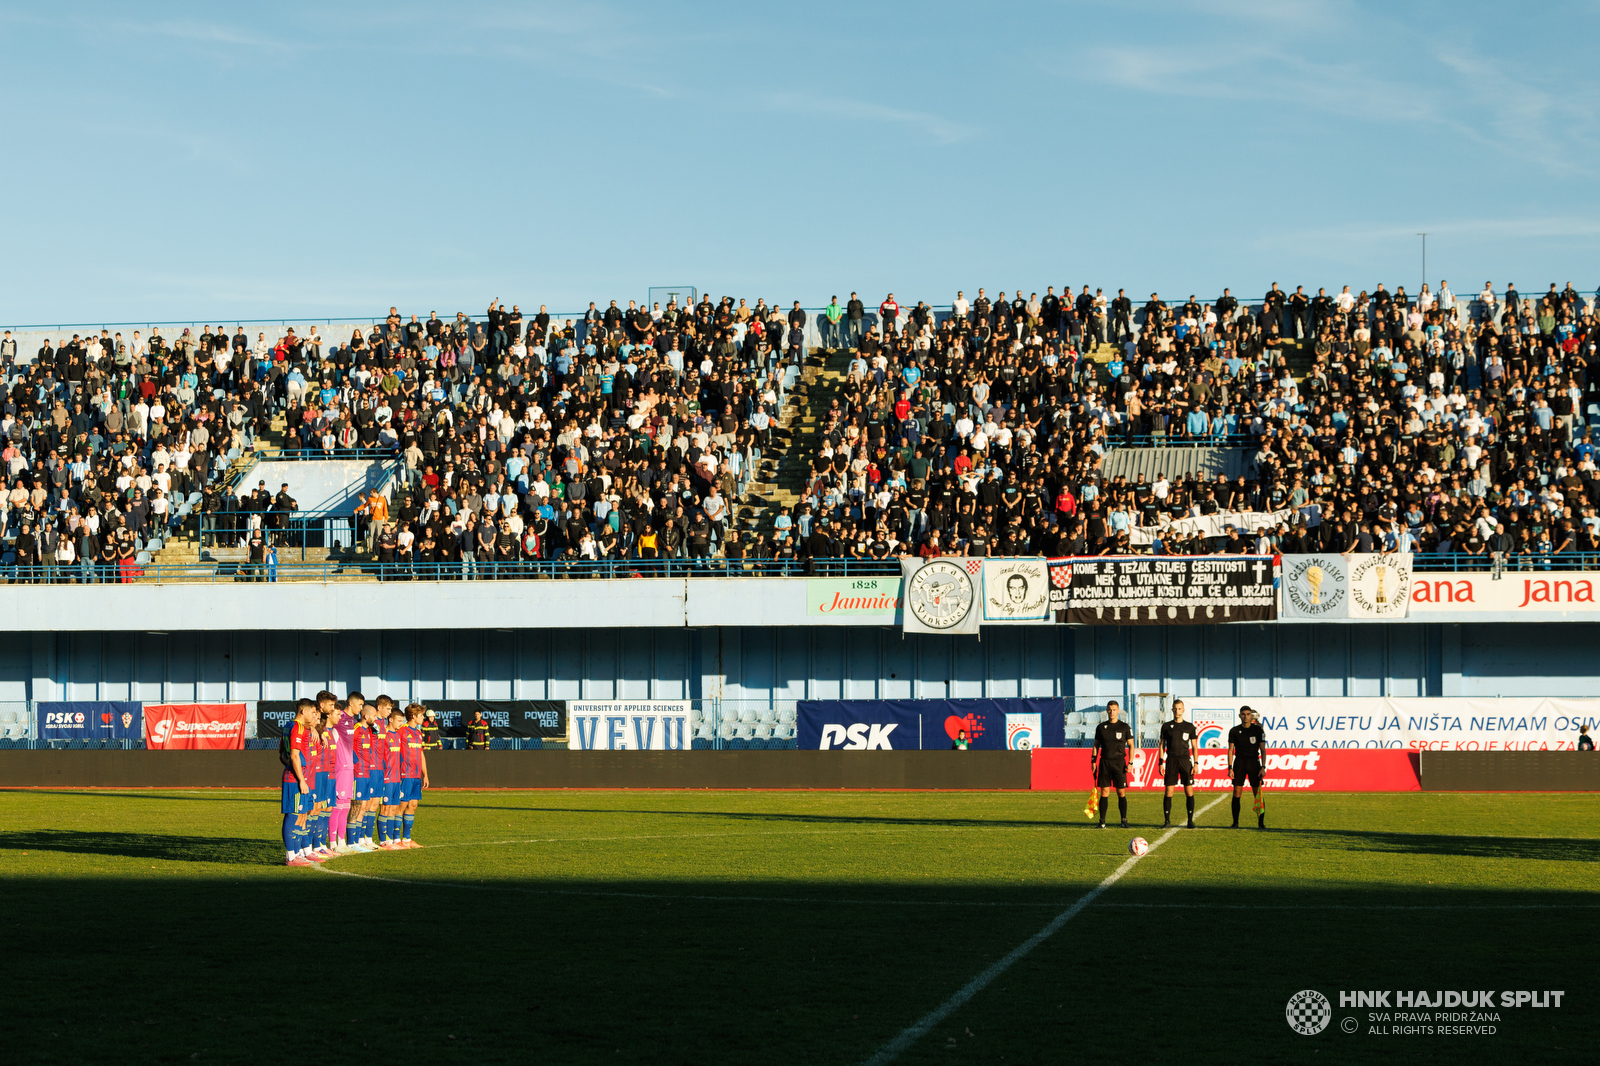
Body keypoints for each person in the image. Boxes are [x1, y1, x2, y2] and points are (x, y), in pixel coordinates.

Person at [278, 698, 318, 866]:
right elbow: (293, 755)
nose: (314, 715)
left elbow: (281, 752)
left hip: (296, 774)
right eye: (312, 712)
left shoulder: (289, 726)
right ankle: (291, 856)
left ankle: (296, 853)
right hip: (295, 777)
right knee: (293, 815)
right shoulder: (297, 727)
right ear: (303, 711)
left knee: (300, 814)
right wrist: (301, 779)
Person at [1092, 700, 1134, 829]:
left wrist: (1130, 762)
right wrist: (1093, 760)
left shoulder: (1125, 727)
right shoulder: (1101, 727)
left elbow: (1131, 745)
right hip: (1105, 762)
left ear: (1118, 710)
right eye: (1110, 709)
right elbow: (1096, 745)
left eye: (1114, 709)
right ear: (1107, 710)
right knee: (1104, 791)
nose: (1112, 712)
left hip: (1119, 763)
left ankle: (1124, 820)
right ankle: (1102, 821)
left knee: (1121, 792)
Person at [346, 697, 380, 852]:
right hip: (357, 773)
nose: (376, 719)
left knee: (364, 807)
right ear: (366, 716)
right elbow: (349, 749)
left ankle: (359, 841)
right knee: (356, 807)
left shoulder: (368, 730)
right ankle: (351, 842)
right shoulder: (357, 728)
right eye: (374, 716)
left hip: (367, 772)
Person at [1159, 699, 1199, 829]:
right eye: (1175, 709)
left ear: (1183, 710)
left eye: (1179, 708)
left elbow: (1194, 746)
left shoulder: (1190, 726)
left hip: (1185, 761)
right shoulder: (1166, 726)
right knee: (1169, 791)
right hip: (1171, 760)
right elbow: (1161, 745)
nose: (1177, 711)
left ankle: (1190, 821)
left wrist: (1196, 763)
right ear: (1172, 710)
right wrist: (1161, 762)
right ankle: (1166, 821)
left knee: (1189, 790)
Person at [399, 703, 432, 847]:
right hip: (404, 774)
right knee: (401, 806)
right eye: (421, 715)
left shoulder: (418, 733)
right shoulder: (402, 731)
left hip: (416, 775)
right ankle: (394, 840)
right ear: (413, 716)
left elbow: (421, 753)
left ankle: (406, 839)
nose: (423, 717)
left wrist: (425, 774)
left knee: (412, 805)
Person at [375, 695, 406, 849]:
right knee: (385, 808)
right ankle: (383, 841)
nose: (402, 723)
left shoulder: (397, 735)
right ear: (391, 720)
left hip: (396, 778)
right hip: (386, 777)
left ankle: (393, 839)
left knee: (393, 808)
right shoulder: (385, 734)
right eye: (399, 720)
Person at [1228, 706, 1267, 829]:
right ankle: (1235, 823)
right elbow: (1230, 750)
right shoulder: (1234, 731)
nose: (1246, 716)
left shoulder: (1258, 730)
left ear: (1251, 716)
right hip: (1239, 763)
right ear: (1240, 716)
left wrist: (1263, 767)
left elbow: (1263, 750)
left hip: (1254, 763)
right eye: (1243, 714)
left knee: (1257, 794)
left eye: (1248, 714)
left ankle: (1261, 824)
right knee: (1237, 792)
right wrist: (1230, 767)